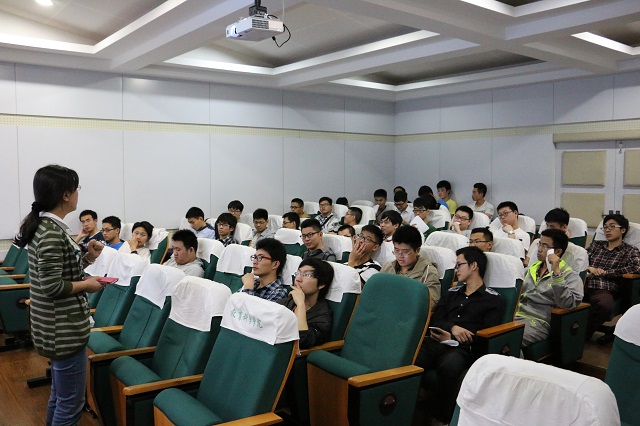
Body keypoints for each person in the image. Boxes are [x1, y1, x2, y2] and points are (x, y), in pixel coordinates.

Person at [15, 165, 104, 425]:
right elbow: (53, 286)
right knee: (71, 403)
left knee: (59, 395)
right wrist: (87, 285)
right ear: (66, 194)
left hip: (54, 326)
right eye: (76, 188)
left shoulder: (45, 227)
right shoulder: (51, 233)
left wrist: (88, 257)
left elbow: (62, 272)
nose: (77, 194)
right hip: (63, 329)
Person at [416, 247, 504, 425]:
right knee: (412, 357)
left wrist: (452, 338)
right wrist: (453, 328)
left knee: (450, 367)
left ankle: (441, 418)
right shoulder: (452, 293)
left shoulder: (493, 299)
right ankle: (406, 407)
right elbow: (436, 318)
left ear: (473, 266)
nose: (456, 270)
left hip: (464, 348)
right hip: (437, 341)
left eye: (459, 265)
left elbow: (486, 333)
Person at [515, 229, 583, 346]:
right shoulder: (530, 270)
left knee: (511, 341)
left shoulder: (569, 275)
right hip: (516, 316)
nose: (539, 249)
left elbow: (569, 303)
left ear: (557, 251)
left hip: (539, 322)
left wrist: (556, 273)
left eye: (545, 246)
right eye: (539, 244)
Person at [585, 214, 640, 342]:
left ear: (623, 230)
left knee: (604, 306)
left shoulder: (630, 250)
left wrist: (607, 272)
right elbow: (580, 259)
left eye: (612, 226)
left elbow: (636, 268)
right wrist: (589, 268)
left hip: (605, 288)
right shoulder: (596, 245)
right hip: (584, 282)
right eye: (605, 227)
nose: (607, 230)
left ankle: (581, 335)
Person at [277, 258, 334, 349]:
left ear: (321, 284)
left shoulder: (322, 316)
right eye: (298, 273)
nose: (298, 279)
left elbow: (302, 341)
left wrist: (300, 305)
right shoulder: (284, 302)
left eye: (307, 275)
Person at [380, 225, 441, 306]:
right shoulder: (388, 267)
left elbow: (431, 302)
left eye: (405, 251)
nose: (400, 256)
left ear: (417, 250)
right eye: (396, 250)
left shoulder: (428, 271)